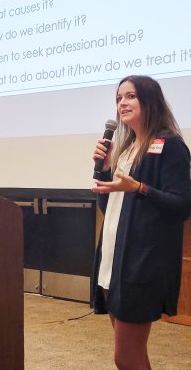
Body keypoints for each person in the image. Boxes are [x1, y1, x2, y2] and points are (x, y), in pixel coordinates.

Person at [91, 75, 191, 370]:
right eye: (119, 97)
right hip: (113, 258)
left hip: (140, 263)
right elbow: (109, 205)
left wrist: (140, 188)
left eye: (131, 96)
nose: (123, 102)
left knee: (125, 357)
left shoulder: (170, 145)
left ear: (150, 101)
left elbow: (182, 206)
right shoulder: (126, 148)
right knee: (131, 353)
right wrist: (106, 170)